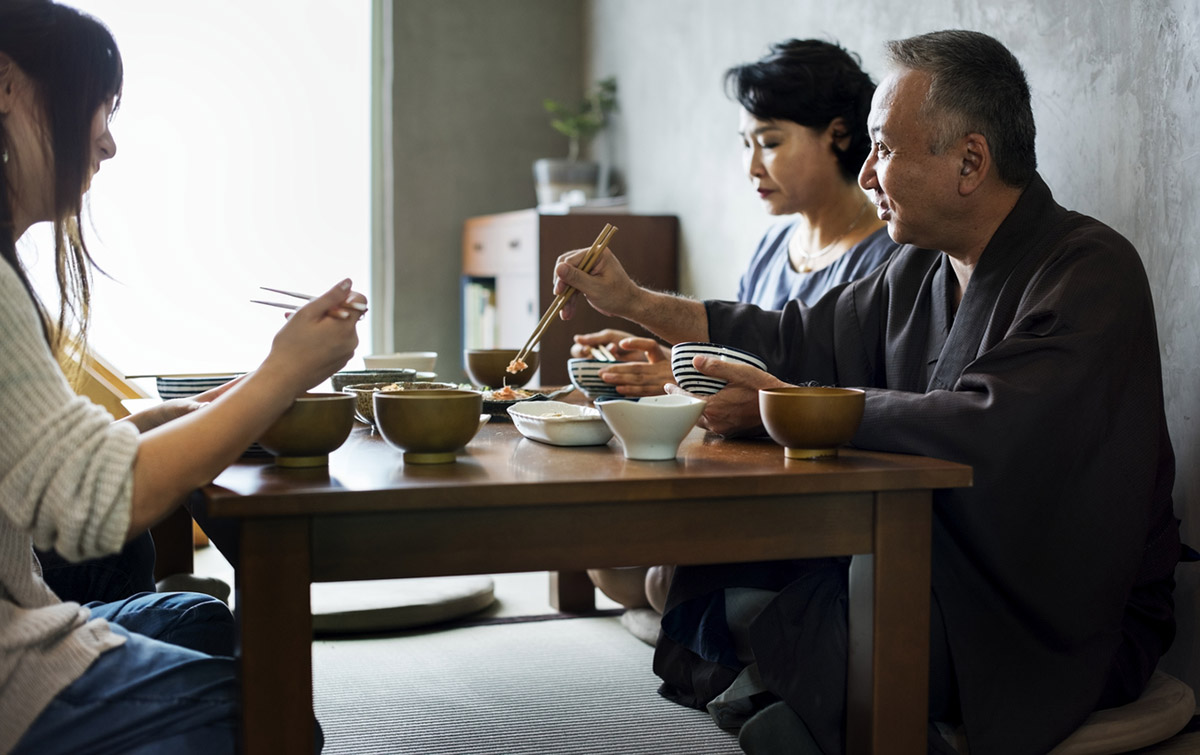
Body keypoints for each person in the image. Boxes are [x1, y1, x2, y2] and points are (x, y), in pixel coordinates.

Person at [553, 29, 1180, 755]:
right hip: (937, 555)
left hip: (1056, 606)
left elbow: (988, 425)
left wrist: (774, 409)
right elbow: (793, 335)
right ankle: (814, 690)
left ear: (970, 161)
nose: (867, 175)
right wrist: (631, 300)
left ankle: (843, 702)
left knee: (831, 622)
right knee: (713, 571)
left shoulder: (1090, 268)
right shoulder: (918, 271)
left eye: (882, 148)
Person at [1, 2, 363, 752]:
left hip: (24, 608)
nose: (108, 138)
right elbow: (94, 498)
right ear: (5, 83)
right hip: (10, 660)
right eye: (98, 105)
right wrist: (279, 373)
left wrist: (260, 383)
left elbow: (48, 454)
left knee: (200, 619)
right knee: (275, 713)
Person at [579, 39, 897, 617]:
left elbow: (853, 395)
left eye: (770, 142)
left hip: (810, 490)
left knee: (653, 579)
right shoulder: (774, 247)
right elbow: (734, 359)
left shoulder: (886, 255)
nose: (752, 167)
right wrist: (663, 364)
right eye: (747, 144)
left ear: (839, 134)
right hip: (732, 466)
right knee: (605, 553)